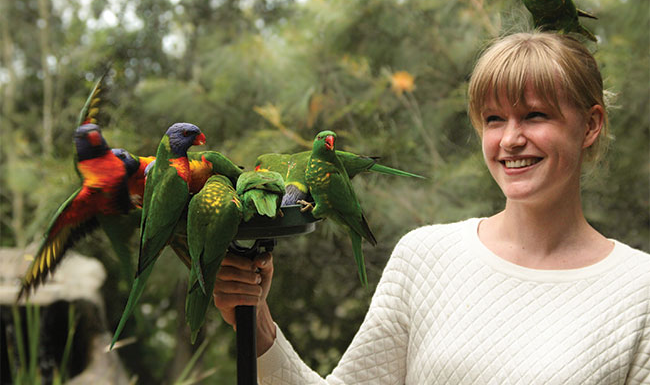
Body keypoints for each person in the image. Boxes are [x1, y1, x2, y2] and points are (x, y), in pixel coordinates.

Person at [213, 32, 650, 384]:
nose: (511, 139)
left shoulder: (638, 291)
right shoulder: (425, 258)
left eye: (535, 115)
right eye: (494, 119)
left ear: (590, 125)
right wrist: (259, 324)